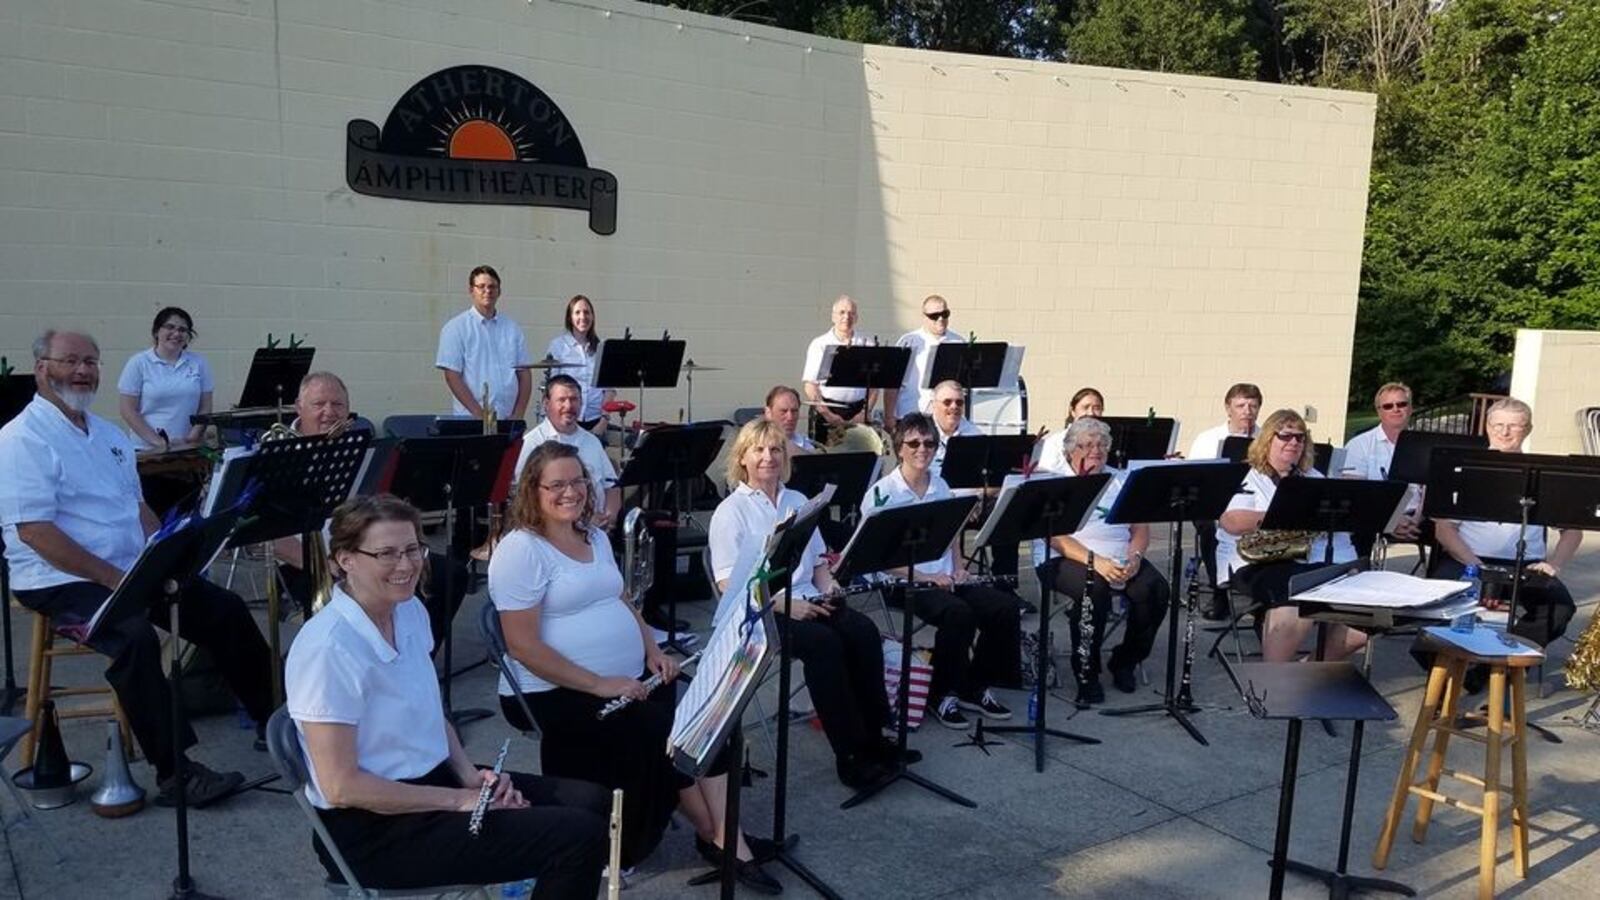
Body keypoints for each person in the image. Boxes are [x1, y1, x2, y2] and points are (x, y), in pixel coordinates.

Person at [489, 442, 781, 893]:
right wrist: (600, 683)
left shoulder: (593, 536)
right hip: (553, 691)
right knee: (671, 736)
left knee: (710, 721)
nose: (571, 492)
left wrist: (651, 650)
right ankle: (722, 838)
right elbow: (522, 647)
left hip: (625, 681)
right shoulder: (521, 549)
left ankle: (722, 837)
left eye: (578, 481)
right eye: (557, 484)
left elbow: (621, 600)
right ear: (533, 489)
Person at [0, 329, 273, 807]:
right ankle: (176, 773)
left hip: (129, 570)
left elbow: (138, 508)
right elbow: (35, 534)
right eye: (70, 361)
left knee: (224, 608)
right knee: (134, 639)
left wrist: (165, 554)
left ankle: (278, 723)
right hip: (60, 579)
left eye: (91, 361)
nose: (83, 371)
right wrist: (117, 580)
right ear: (41, 367)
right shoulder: (21, 438)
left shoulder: (107, 434)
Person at [285, 494, 607, 896]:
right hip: (372, 831)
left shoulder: (409, 611)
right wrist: (458, 801)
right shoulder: (327, 649)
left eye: (412, 549)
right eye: (386, 554)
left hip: (430, 781)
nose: (406, 566)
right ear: (345, 560)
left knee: (590, 800)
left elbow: (429, 709)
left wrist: (469, 776)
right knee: (577, 837)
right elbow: (340, 787)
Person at [708, 420, 906, 788]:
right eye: (759, 450)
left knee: (862, 631)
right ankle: (850, 756)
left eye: (776, 450)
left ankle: (876, 736)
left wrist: (831, 587)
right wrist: (784, 604)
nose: (768, 457)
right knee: (825, 645)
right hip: (759, 614)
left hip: (807, 599)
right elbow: (728, 587)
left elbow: (816, 567)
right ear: (743, 459)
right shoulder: (731, 511)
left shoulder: (797, 501)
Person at [272, 372, 466, 649]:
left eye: (338, 405)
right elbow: (270, 539)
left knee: (449, 573)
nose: (329, 412)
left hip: (368, 552)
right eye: (319, 404)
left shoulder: (359, 448)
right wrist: (329, 566)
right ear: (298, 408)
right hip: (305, 565)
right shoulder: (276, 453)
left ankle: (414, 658)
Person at [861, 414, 1022, 729]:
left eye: (930, 443)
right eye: (914, 443)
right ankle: (940, 693)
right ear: (900, 448)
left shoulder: (940, 484)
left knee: (1005, 608)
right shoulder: (883, 493)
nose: (923, 449)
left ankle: (972, 686)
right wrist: (926, 578)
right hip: (901, 579)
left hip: (943, 576)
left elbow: (951, 535)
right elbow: (876, 557)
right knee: (958, 614)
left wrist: (960, 568)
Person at [1430, 398, 1579, 685]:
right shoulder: (1464, 470)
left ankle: (1496, 670)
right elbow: (1444, 529)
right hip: (1469, 559)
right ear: (1486, 427)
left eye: (1514, 426)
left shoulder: (1543, 475)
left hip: (1526, 565)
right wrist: (1476, 565)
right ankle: (1444, 680)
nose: (1505, 432)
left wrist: (1555, 564)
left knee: (1560, 609)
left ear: (1529, 429)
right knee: (1436, 607)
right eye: (1498, 425)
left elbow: (1572, 530)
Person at [1033, 418, 1171, 703]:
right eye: (1087, 445)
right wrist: (1098, 562)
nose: (1095, 450)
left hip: (1120, 554)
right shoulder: (1054, 480)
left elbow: (1139, 527)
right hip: (1063, 557)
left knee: (1155, 589)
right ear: (1071, 449)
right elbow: (1055, 536)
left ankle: (1125, 660)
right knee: (1092, 590)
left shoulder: (1120, 479)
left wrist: (1134, 557)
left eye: (1101, 445)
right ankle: (1087, 672)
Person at [1218, 409, 1365, 663]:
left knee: (1365, 619)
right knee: (1295, 599)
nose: (1294, 442)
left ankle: (1304, 671)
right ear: (1267, 440)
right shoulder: (1247, 474)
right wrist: (1285, 515)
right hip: (1254, 563)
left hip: (1308, 560)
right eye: (1285, 436)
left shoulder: (1313, 477)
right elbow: (1232, 520)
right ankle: (1272, 685)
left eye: (1300, 438)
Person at [1187, 382, 1263, 617]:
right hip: (1215, 502)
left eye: (1253, 405)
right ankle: (1219, 593)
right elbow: (1195, 477)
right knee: (1209, 528)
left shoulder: (1266, 438)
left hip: (1255, 500)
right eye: (1240, 405)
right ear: (1228, 408)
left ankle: (1263, 592)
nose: (1247, 411)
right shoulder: (1208, 439)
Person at [512, 375, 620, 530]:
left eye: (574, 399)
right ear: (546, 404)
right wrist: (584, 520)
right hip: (555, 534)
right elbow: (528, 498)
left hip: (598, 530)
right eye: (561, 400)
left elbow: (612, 485)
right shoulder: (532, 443)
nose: (568, 406)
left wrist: (610, 516)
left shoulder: (592, 441)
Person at [436, 265, 533, 421]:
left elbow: (524, 374)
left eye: (492, 286)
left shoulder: (512, 328)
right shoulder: (455, 328)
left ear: (499, 291)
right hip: (472, 421)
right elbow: (452, 377)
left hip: (508, 420)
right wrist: (481, 416)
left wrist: (518, 415)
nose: (487, 291)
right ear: (471, 290)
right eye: (481, 286)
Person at [1341, 382, 1425, 556]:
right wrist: (1391, 519)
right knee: (1359, 526)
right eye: (1388, 406)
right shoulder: (1359, 445)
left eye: (1402, 404)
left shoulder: (1425, 444)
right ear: (1379, 411)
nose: (1396, 409)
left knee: (1449, 530)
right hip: (1375, 514)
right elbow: (1355, 492)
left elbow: (1433, 490)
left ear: (1410, 409)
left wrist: (1418, 518)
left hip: (1419, 516)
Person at [117, 306, 213, 450]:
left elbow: (205, 407)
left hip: (187, 449)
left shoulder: (199, 363)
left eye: (182, 330)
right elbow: (128, 410)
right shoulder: (138, 363)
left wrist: (191, 439)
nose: (176, 333)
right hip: (147, 451)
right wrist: (160, 443)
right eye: (170, 327)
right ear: (156, 331)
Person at [884, 294, 964, 432]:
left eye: (945, 314)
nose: (941, 319)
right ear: (924, 317)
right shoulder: (908, 341)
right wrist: (889, 417)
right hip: (910, 414)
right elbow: (892, 383)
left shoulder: (958, 342)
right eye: (934, 315)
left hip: (944, 420)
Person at [801, 295, 873, 444]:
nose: (847, 317)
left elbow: (874, 387)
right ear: (833, 317)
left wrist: (864, 413)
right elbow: (810, 385)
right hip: (827, 412)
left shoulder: (867, 344)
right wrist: (827, 414)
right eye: (842, 312)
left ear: (857, 317)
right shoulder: (819, 344)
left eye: (851, 313)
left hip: (858, 412)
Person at [544, 294, 613, 436]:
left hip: (596, 421)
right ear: (570, 317)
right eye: (577, 312)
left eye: (587, 312)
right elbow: (551, 388)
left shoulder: (601, 348)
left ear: (593, 317)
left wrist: (603, 421)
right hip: (567, 420)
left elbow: (609, 390)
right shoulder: (558, 346)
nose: (583, 317)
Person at [1036, 387, 1105, 474]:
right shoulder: (1055, 443)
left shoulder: (1107, 443)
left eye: (1097, 408)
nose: (1091, 413)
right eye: (1085, 407)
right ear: (1073, 411)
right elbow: (1047, 473)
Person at [927, 379, 982, 479]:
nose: (954, 406)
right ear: (934, 404)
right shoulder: (921, 432)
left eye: (959, 402)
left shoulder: (974, 434)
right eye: (947, 402)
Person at [763, 384, 816, 454]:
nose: (790, 417)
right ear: (768, 413)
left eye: (794, 411)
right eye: (783, 411)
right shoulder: (755, 446)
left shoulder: (808, 446)